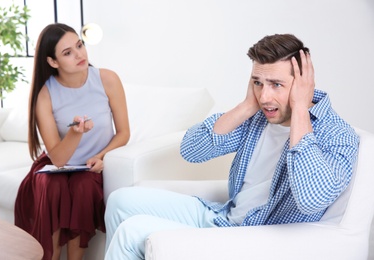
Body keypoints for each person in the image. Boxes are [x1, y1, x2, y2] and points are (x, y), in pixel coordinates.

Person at [103, 34, 359, 260]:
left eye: (276, 85)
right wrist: (248, 105)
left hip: (251, 237)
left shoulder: (336, 134)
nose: (265, 96)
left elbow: (312, 198)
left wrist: (300, 107)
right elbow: (191, 150)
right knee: (120, 200)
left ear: (303, 84)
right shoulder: (258, 116)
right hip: (223, 217)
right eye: (258, 82)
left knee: (131, 232)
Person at [14, 23, 130, 260]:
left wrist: (101, 156)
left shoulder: (107, 79)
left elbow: (124, 133)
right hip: (57, 165)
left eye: (79, 45)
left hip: (89, 166)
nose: (79, 54)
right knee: (51, 186)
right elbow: (57, 159)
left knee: (83, 187)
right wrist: (75, 134)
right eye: (67, 53)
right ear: (53, 62)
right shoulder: (45, 95)